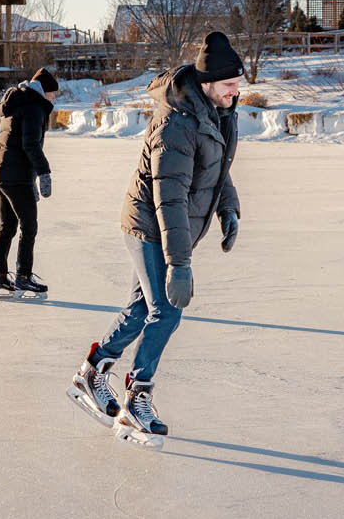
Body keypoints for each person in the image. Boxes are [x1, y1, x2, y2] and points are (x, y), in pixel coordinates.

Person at [68, 31, 244, 444]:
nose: (236, 92)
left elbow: (216, 164)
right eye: (229, 85)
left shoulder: (216, 110)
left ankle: (90, 374)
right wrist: (179, 265)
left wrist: (228, 207)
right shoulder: (175, 124)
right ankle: (135, 400)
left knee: (139, 310)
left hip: (170, 222)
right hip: (148, 224)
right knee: (166, 309)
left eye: (237, 85)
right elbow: (170, 198)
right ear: (206, 84)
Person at [0, 67, 58, 298]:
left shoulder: (16, 102)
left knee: (7, 226)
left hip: (1, 175)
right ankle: (23, 277)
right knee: (29, 226)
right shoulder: (33, 106)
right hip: (17, 177)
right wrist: (44, 172)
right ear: (44, 90)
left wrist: (31, 178)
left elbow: (14, 144)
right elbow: (30, 145)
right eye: (52, 93)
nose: (53, 98)